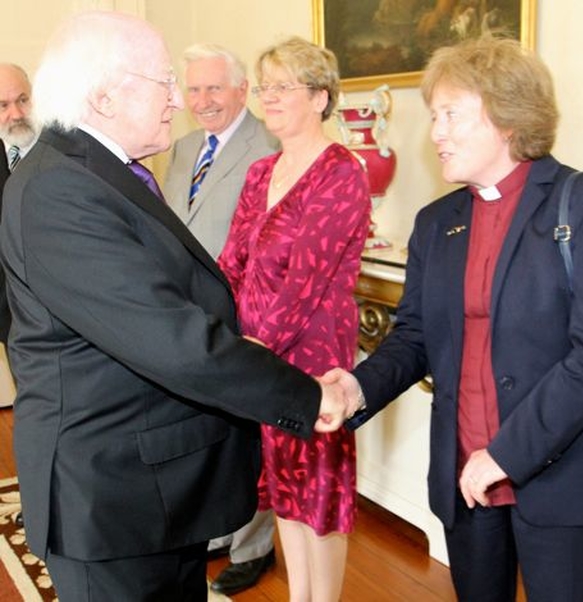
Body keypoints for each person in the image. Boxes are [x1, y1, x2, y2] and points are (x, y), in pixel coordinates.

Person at [0, 12, 349, 602]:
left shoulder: (101, 171)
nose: (176, 100)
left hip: (153, 487)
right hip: (112, 501)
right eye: (164, 81)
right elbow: (169, 337)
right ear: (106, 96)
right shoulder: (58, 189)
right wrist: (307, 394)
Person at [324, 36, 583, 602]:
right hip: (466, 483)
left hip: (562, 482)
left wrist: (503, 455)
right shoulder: (436, 222)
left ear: (508, 119)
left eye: (451, 115)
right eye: (433, 116)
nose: (435, 133)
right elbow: (415, 336)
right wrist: (356, 387)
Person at [218, 36, 370, 602]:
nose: (269, 97)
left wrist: (245, 354)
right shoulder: (261, 172)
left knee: (319, 492)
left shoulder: (342, 172)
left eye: (284, 86)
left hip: (311, 357)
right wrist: (216, 330)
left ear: (321, 98)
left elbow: (305, 281)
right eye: (266, 86)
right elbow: (232, 262)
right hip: (257, 354)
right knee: (283, 484)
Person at [163, 43, 279, 595]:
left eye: (214, 88)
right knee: (208, 427)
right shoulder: (183, 147)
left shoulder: (270, 146)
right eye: (194, 89)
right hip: (191, 313)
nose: (202, 101)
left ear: (242, 90)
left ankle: (254, 547)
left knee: (252, 431)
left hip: (248, 312)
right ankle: (215, 526)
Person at [0, 63, 36, 360]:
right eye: (3, 105)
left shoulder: (61, 150)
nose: (16, 114)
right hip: (9, 315)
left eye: (23, 100)